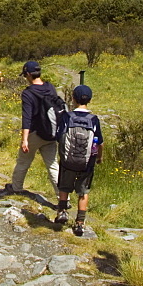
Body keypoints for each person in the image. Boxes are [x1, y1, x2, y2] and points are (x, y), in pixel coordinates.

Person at [55, 84, 103, 237]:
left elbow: (60, 136)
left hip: (68, 160)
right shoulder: (94, 119)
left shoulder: (67, 116)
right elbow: (98, 142)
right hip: (86, 163)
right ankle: (80, 223)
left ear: (73, 98)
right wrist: (98, 157)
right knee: (83, 192)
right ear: (89, 100)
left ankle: (62, 212)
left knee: (64, 186)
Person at [8, 61, 61, 197]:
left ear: (29, 74)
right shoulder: (50, 87)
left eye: (25, 75)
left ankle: (16, 187)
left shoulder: (28, 93)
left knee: (23, 161)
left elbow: (27, 118)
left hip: (35, 134)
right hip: (51, 132)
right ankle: (62, 197)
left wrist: (24, 139)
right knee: (53, 165)